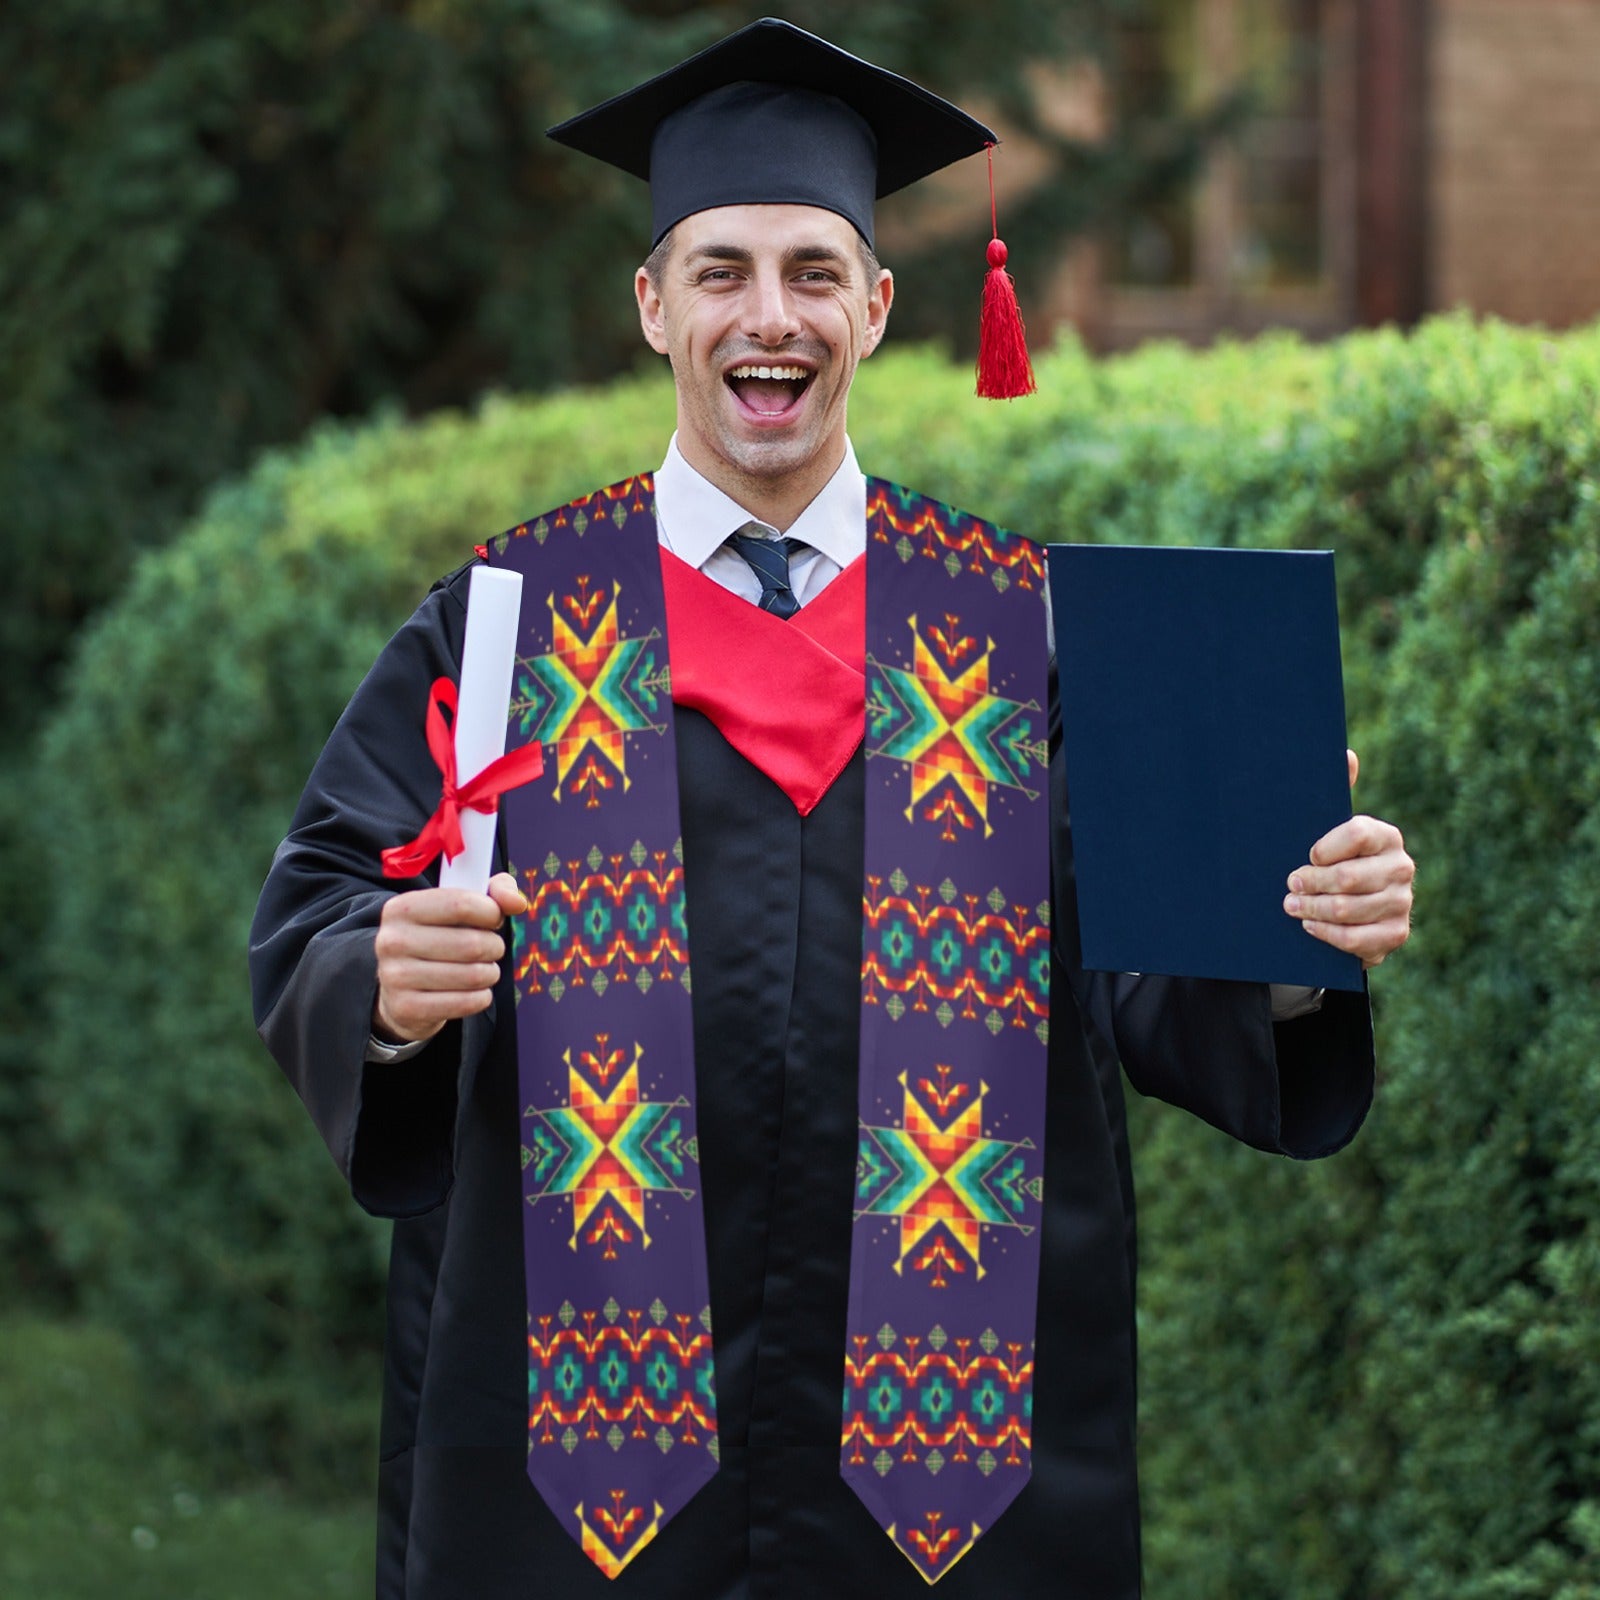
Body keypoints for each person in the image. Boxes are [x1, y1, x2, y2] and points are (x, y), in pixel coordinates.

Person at [249, 19, 1414, 1600]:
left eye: (812, 271)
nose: (768, 316)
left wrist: (1292, 934)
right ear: (654, 305)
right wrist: (380, 983)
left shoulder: (1025, 632)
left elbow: (1152, 977)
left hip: (955, 1469)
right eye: (721, 270)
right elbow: (323, 901)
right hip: (578, 1463)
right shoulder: (514, 622)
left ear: (877, 305)